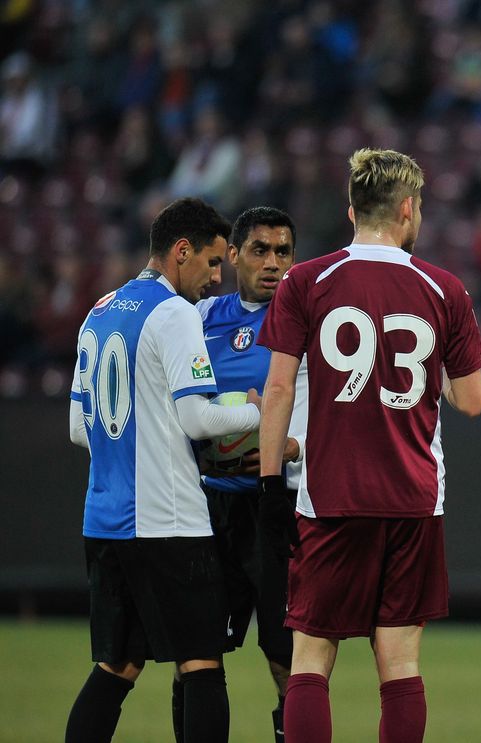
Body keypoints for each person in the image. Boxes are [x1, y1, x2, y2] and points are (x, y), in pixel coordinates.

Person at [255, 148, 481, 743]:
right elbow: (472, 400)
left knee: (311, 656)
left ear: (352, 210)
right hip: (413, 498)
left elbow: (278, 389)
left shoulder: (306, 281)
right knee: (400, 661)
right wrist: (429, 372)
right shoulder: (444, 288)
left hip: (331, 496)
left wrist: (268, 484)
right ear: (408, 209)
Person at [66, 197, 261, 743]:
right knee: (202, 663)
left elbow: (80, 429)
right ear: (181, 251)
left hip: (104, 521)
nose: (218, 277)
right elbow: (198, 418)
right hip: (168, 524)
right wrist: (257, 411)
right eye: (213, 261)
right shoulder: (174, 313)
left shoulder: (100, 311)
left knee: (117, 667)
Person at [190, 206, 304, 743]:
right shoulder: (199, 318)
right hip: (207, 505)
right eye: (261, 250)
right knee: (196, 653)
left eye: (283, 251)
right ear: (233, 255)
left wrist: (293, 446)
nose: (273, 262)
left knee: (284, 653)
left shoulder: (309, 321)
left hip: (274, 506)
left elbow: (341, 411)